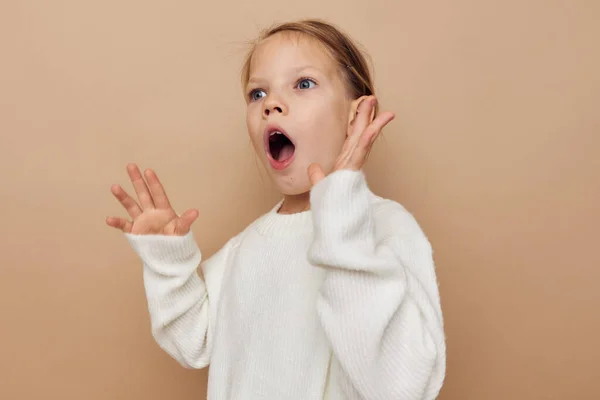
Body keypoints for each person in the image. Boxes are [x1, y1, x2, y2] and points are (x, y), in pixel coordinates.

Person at [106, 18, 446, 400]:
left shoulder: (386, 226)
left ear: (357, 115)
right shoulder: (245, 248)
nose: (271, 105)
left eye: (303, 83)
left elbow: (401, 386)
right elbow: (193, 341)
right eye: (257, 94)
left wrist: (341, 218)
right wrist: (167, 262)